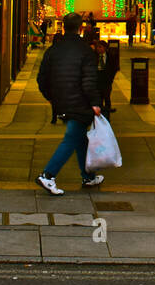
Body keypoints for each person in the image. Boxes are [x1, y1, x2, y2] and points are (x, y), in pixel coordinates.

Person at [35, 12, 105, 195]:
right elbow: (89, 81)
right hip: (80, 103)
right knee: (72, 138)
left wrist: (51, 97)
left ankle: (88, 176)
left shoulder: (53, 50)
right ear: (81, 27)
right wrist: (96, 103)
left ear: (63, 27)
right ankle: (48, 175)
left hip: (61, 101)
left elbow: (41, 78)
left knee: (79, 137)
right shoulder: (85, 51)